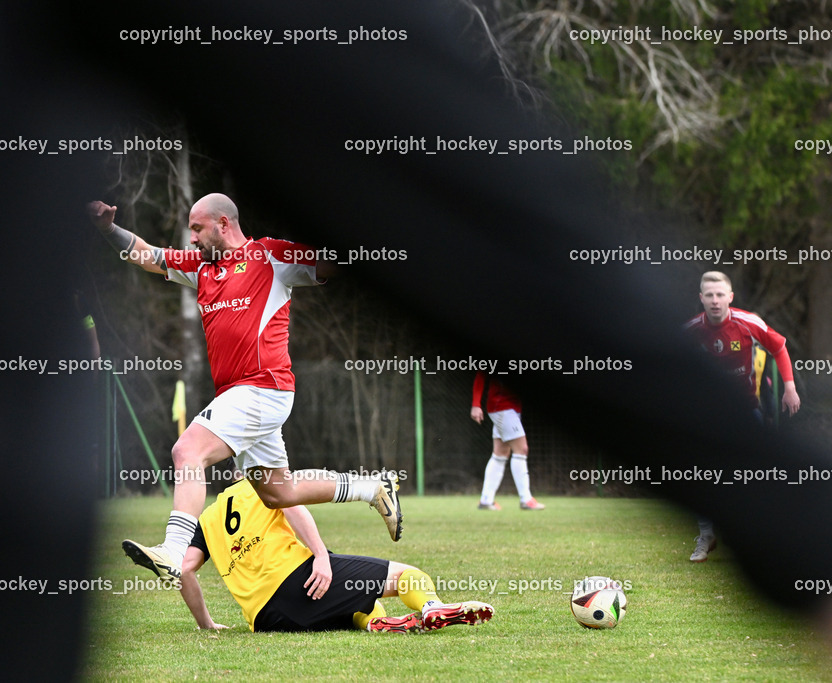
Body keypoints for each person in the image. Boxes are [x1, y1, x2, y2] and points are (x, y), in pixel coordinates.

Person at [88, 194, 403, 588]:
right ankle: (372, 487)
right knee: (279, 493)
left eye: (198, 228)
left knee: (187, 451)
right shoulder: (201, 267)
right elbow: (148, 256)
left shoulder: (270, 256)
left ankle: (173, 551)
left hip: (262, 388)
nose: (192, 238)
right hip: (241, 396)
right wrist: (108, 229)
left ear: (223, 224)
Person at [128, 476, 494, 634]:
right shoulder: (263, 483)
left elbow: (184, 570)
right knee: (408, 575)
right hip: (299, 581)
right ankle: (431, 606)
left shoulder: (207, 520)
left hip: (268, 620)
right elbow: (293, 507)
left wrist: (206, 624)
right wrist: (320, 556)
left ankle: (375, 623)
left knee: (356, 602)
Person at [682, 271, 801, 562]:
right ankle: (706, 535)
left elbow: (779, 347)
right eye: (709, 295)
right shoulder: (690, 330)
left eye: (720, 294)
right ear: (701, 298)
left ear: (730, 297)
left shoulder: (747, 323)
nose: (715, 300)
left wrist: (789, 388)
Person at [470, 372, 544, 510]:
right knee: (521, 449)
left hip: (510, 407)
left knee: (500, 453)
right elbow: (481, 374)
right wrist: (476, 404)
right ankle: (526, 499)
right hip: (502, 406)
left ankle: (486, 500)